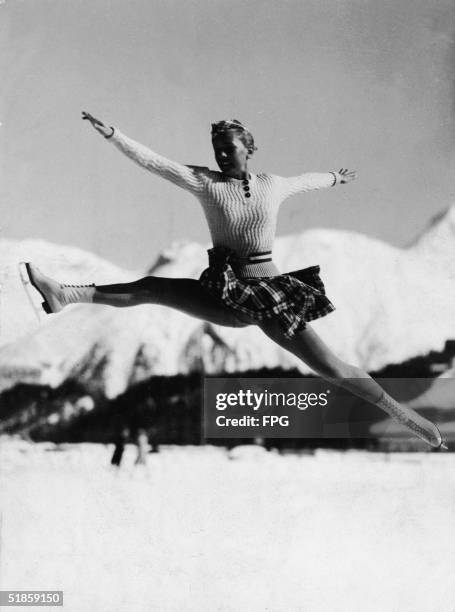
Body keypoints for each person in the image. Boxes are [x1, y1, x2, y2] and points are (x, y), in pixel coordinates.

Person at [23, 112, 447, 450]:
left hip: (272, 296)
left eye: (229, 149)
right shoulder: (205, 183)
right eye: (217, 149)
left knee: (333, 368)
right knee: (154, 286)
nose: (223, 155)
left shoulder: (271, 185)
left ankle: (406, 417)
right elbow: (155, 163)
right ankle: (64, 294)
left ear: (249, 149)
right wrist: (114, 134)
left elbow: (307, 181)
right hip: (225, 292)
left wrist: (334, 178)